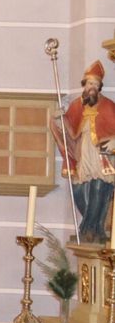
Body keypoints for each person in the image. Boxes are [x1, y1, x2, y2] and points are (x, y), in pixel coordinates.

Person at [54, 60, 115, 245]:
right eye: (90, 84)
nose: (92, 88)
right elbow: (67, 127)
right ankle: (92, 225)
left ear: (99, 88)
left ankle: (91, 229)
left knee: (99, 189)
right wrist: (58, 118)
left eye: (96, 85)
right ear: (84, 85)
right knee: (78, 190)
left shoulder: (108, 106)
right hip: (82, 154)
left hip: (101, 156)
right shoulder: (76, 106)